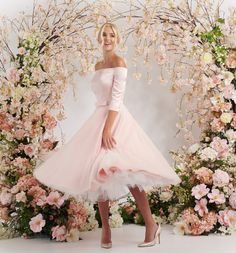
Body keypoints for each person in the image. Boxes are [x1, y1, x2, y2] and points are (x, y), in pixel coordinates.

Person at [33, 22, 181, 249]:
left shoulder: (119, 63)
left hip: (115, 120)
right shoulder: (98, 64)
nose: (108, 38)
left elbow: (117, 99)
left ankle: (151, 225)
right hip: (99, 117)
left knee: (128, 171)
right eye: (104, 35)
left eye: (112, 34)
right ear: (99, 38)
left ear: (117, 39)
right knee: (98, 172)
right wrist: (101, 126)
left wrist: (108, 129)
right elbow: (101, 97)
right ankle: (107, 230)